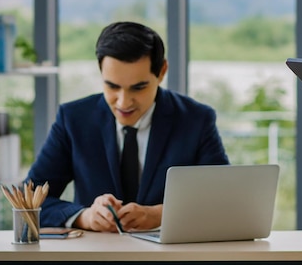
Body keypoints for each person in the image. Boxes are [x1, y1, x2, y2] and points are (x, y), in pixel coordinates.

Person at [26, 21, 229, 232]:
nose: (123, 102)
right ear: (100, 71)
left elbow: (225, 199)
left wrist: (160, 214)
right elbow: (28, 199)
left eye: (138, 88)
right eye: (112, 86)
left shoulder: (196, 120)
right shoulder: (74, 119)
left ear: (162, 72)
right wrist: (84, 217)